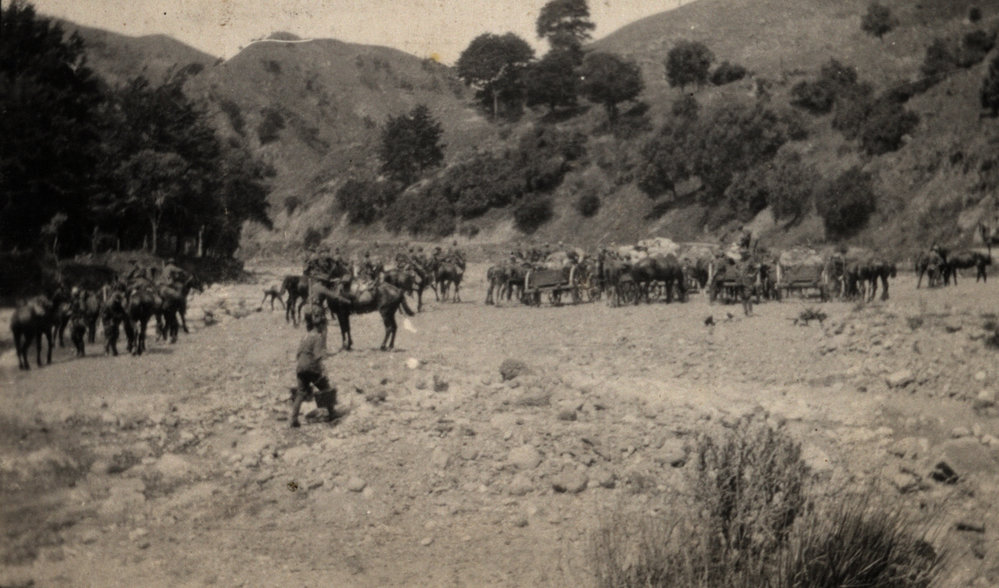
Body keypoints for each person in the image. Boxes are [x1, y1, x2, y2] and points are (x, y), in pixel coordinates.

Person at [291, 309, 337, 428]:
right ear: (321, 326)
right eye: (324, 326)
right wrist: (323, 370)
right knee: (326, 388)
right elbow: (317, 356)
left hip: (300, 367)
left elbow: (298, 353)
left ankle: (293, 419)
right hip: (311, 367)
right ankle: (332, 414)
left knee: (300, 393)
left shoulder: (305, 336)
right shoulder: (317, 337)